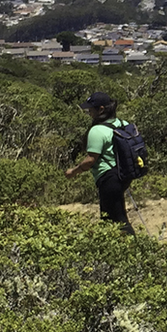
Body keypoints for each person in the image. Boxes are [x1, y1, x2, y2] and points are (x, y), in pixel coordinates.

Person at [64, 91, 135, 235]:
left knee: (113, 218)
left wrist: (73, 171)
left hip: (109, 178)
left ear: (101, 109)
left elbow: (90, 160)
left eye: (91, 109)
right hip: (124, 174)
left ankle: (129, 249)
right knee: (117, 213)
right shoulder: (123, 124)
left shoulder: (97, 130)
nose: (89, 112)